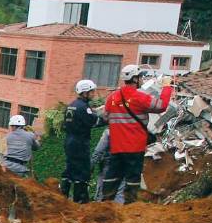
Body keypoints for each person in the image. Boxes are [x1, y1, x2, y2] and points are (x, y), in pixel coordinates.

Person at [101, 64, 173, 204]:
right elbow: (161, 106)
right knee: (132, 180)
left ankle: (106, 205)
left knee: (112, 176)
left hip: (116, 147)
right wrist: (167, 86)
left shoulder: (112, 97)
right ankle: (130, 209)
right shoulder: (138, 97)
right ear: (135, 79)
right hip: (134, 148)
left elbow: (105, 117)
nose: (142, 79)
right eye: (140, 77)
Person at [61, 79, 103, 203]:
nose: (93, 93)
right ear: (85, 93)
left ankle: (63, 194)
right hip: (80, 141)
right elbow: (94, 121)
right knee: (82, 169)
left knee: (70, 167)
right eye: (91, 91)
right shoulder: (84, 107)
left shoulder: (71, 105)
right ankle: (80, 199)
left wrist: (94, 111)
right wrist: (106, 118)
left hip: (69, 140)